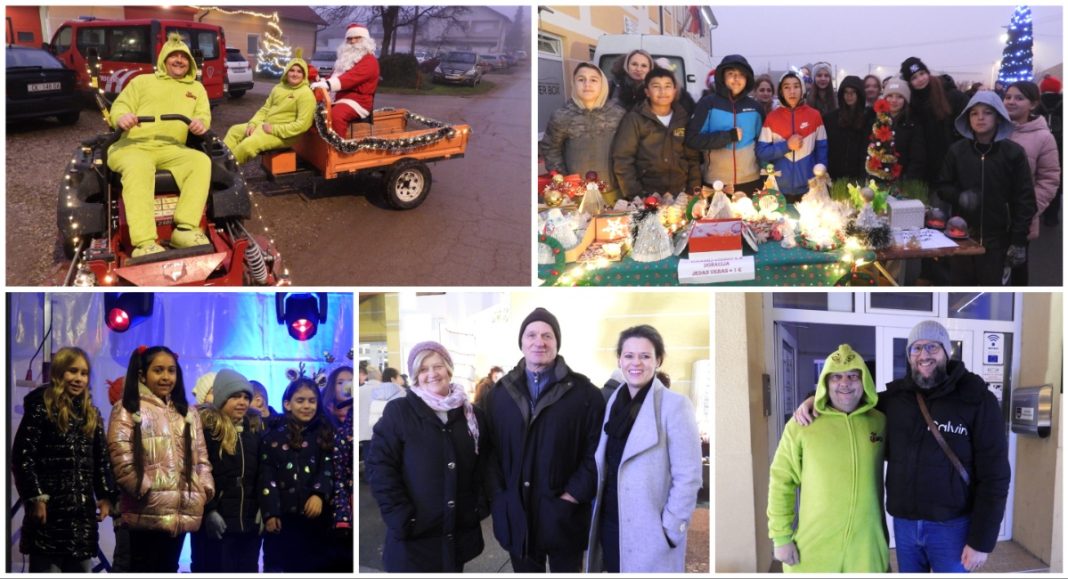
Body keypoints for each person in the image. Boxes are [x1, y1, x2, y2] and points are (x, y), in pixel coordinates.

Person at [795, 320, 1011, 573]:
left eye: (932, 347)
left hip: (952, 528)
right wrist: (813, 399)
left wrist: (981, 541)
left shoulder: (976, 399)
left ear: (946, 352)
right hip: (905, 527)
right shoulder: (895, 399)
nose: (924, 355)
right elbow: (849, 399)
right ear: (909, 356)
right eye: (916, 349)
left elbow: (995, 476)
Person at [484, 307, 606, 572]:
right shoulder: (499, 394)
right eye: (531, 335)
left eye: (547, 335)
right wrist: (499, 495)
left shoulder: (585, 394)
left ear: (557, 343)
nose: (539, 341)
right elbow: (489, 450)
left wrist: (573, 494)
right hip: (516, 513)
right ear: (521, 343)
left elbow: (596, 452)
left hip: (564, 513)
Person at [586, 326, 702, 573]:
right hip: (611, 523)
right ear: (619, 359)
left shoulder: (675, 406)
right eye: (629, 356)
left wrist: (671, 530)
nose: (635, 363)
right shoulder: (614, 402)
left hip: (651, 532)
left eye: (645, 356)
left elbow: (689, 477)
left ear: (658, 360)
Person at [368, 341, 489, 572]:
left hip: (457, 533)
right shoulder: (399, 412)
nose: (432, 374)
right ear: (415, 375)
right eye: (423, 369)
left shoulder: (472, 415)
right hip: (415, 536)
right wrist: (401, 517)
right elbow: (380, 468)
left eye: (438, 366)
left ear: (449, 369)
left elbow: (483, 464)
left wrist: (478, 506)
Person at [768, 344, 887, 573]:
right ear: (825, 383)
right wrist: (781, 537)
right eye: (836, 377)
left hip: (867, 549)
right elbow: (781, 480)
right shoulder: (802, 424)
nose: (845, 383)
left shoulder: (880, 422)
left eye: (853, 376)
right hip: (814, 548)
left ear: (865, 382)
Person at [107, 345, 214, 573]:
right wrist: (143, 488)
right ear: (142, 374)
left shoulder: (188, 413)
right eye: (158, 370)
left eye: (171, 371)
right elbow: (120, 455)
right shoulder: (127, 408)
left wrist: (204, 488)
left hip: (181, 510)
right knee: (142, 569)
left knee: (168, 568)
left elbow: (201, 457)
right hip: (146, 509)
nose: (166, 377)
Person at [12, 347, 118, 573]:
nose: (79, 378)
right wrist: (36, 497)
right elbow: (23, 456)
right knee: (47, 567)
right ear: (59, 372)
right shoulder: (42, 407)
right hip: (50, 515)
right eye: (73, 371)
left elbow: (101, 460)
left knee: (80, 567)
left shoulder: (92, 414)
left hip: (81, 516)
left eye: (84, 373)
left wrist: (106, 495)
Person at [107, 33, 212, 257]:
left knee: (201, 161)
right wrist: (122, 117)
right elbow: (120, 106)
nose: (179, 60)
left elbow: (203, 115)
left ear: (190, 62)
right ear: (164, 59)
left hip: (172, 149)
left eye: (183, 57)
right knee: (139, 167)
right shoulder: (142, 81)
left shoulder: (197, 89)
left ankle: (185, 228)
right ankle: (144, 242)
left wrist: (200, 124)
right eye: (173, 56)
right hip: (133, 146)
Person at [936, 91, 1036, 285]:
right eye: (974, 113)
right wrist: (960, 196)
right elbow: (943, 186)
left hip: (998, 240)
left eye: (987, 112)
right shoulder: (957, 151)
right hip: (962, 237)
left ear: (998, 117)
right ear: (968, 118)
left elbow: (1024, 199)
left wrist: (1018, 240)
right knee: (960, 289)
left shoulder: (1013, 153)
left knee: (993, 289)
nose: (980, 118)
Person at [259, 377, 335, 572]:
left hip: (315, 518)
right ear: (287, 404)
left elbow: (328, 467)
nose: (307, 406)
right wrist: (271, 513)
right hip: (283, 519)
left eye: (312, 401)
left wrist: (319, 494)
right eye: (300, 400)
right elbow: (267, 476)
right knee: (280, 564)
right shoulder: (272, 435)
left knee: (311, 566)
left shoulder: (324, 433)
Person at [190, 369, 263, 573]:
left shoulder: (254, 431)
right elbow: (198, 471)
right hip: (217, 520)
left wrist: (264, 506)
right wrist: (210, 510)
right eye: (235, 396)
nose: (242, 402)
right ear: (222, 398)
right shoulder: (207, 430)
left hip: (248, 521)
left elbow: (261, 473)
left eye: (246, 397)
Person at [540, 62, 626, 200]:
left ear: (602, 85)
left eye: (593, 80)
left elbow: (628, 150)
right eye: (581, 79)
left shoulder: (618, 114)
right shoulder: (562, 115)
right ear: (574, 83)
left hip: (613, 192)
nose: (587, 84)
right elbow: (551, 148)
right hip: (576, 194)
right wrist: (562, 178)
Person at [611, 67, 702, 198]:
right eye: (656, 86)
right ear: (647, 92)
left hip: (680, 193)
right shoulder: (635, 119)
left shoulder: (683, 119)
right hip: (647, 195)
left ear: (674, 90)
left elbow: (693, 159)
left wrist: (693, 190)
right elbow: (623, 159)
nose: (662, 91)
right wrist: (635, 195)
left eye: (667, 86)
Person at [1004, 80, 1061, 284]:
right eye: (1008, 97)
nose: (1011, 102)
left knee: (1017, 271)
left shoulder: (1044, 137)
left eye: (1019, 98)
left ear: (1034, 104)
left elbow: (1050, 178)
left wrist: (1028, 208)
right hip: (991, 217)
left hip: (1021, 220)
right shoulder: (996, 129)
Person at [685, 54, 764, 195]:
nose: (736, 79)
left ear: (747, 79)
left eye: (741, 74)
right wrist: (727, 137)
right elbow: (692, 139)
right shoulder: (707, 104)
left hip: (751, 180)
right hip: (716, 183)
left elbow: (762, 144)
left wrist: (765, 175)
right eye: (731, 74)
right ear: (722, 77)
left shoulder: (755, 108)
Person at [223, 51, 315, 164]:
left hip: (285, 135)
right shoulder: (279, 88)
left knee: (248, 145)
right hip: (265, 126)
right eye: (292, 70)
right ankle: (221, 162)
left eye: (299, 72)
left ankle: (227, 171)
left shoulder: (305, 94)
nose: (295, 74)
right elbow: (265, 109)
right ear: (286, 72)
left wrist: (274, 129)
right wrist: (253, 123)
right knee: (234, 131)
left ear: (304, 75)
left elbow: (302, 125)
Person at [757, 71, 829, 200]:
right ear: (781, 91)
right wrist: (787, 146)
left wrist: (820, 175)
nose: (792, 91)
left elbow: (822, 150)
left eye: (796, 86)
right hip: (779, 189)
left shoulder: (815, 116)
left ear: (802, 89)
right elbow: (762, 152)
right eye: (787, 87)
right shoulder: (772, 118)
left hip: (810, 189)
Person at [900, 56, 965, 184]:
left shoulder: (951, 95)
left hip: (953, 161)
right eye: (914, 78)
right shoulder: (912, 104)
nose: (920, 79)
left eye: (922, 73)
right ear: (909, 83)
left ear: (927, 73)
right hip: (927, 168)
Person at [310, 23, 379, 137]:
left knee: (336, 116)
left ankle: (339, 148)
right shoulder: (345, 59)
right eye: (349, 38)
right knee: (314, 112)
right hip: (338, 97)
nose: (352, 41)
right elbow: (334, 77)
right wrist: (319, 80)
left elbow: (350, 79)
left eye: (357, 38)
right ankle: (318, 143)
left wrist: (326, 84)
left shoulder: (370, 61)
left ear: (366, 40)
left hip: (357, 101)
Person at [873, 80, 926, 181]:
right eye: (890, 96)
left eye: (899, 97)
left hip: (901, 183)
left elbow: (917, 159)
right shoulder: (876, 121)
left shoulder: (913, 125)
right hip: (876, 180)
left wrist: (906, 181)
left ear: (905, 100)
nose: (894, 100)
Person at [823, 75, 868, 181]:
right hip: (834, 176)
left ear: (859, 94)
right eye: (846, 92)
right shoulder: (830, 119)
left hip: (858, 176)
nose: (849, 95)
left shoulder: (868, 118)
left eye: (853, 92)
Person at [1038, 75, 1062, 226]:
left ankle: (1038, 209)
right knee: (1056, 180)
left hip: (1041, 144)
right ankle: (1052, 217)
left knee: (1040, 178)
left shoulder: (1037, 103)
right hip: (1060, 146)